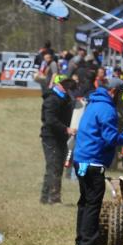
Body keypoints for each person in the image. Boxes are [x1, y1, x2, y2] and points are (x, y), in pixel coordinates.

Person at [72, 77, 123, 245]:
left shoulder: (93, 103)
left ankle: (80, 239)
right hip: (93, 160)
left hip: (81, 159)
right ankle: (89, 243)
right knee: (94, 202)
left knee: (85, 201)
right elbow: (111, 139)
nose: (120, 98)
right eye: (120, 94)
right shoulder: (108, 109)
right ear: (114, 91)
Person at [39, 74, 76, 204]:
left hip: (60, 137)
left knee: (57, 167)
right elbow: (50, 120)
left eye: (68, 84)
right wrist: (66, 129)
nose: (67, 87)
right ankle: (51, 198)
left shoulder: (66, 98)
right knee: (53, 166)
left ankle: (47, 198)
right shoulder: (51, 99)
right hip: (50, 137)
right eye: (64, 84)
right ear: (57, 84)